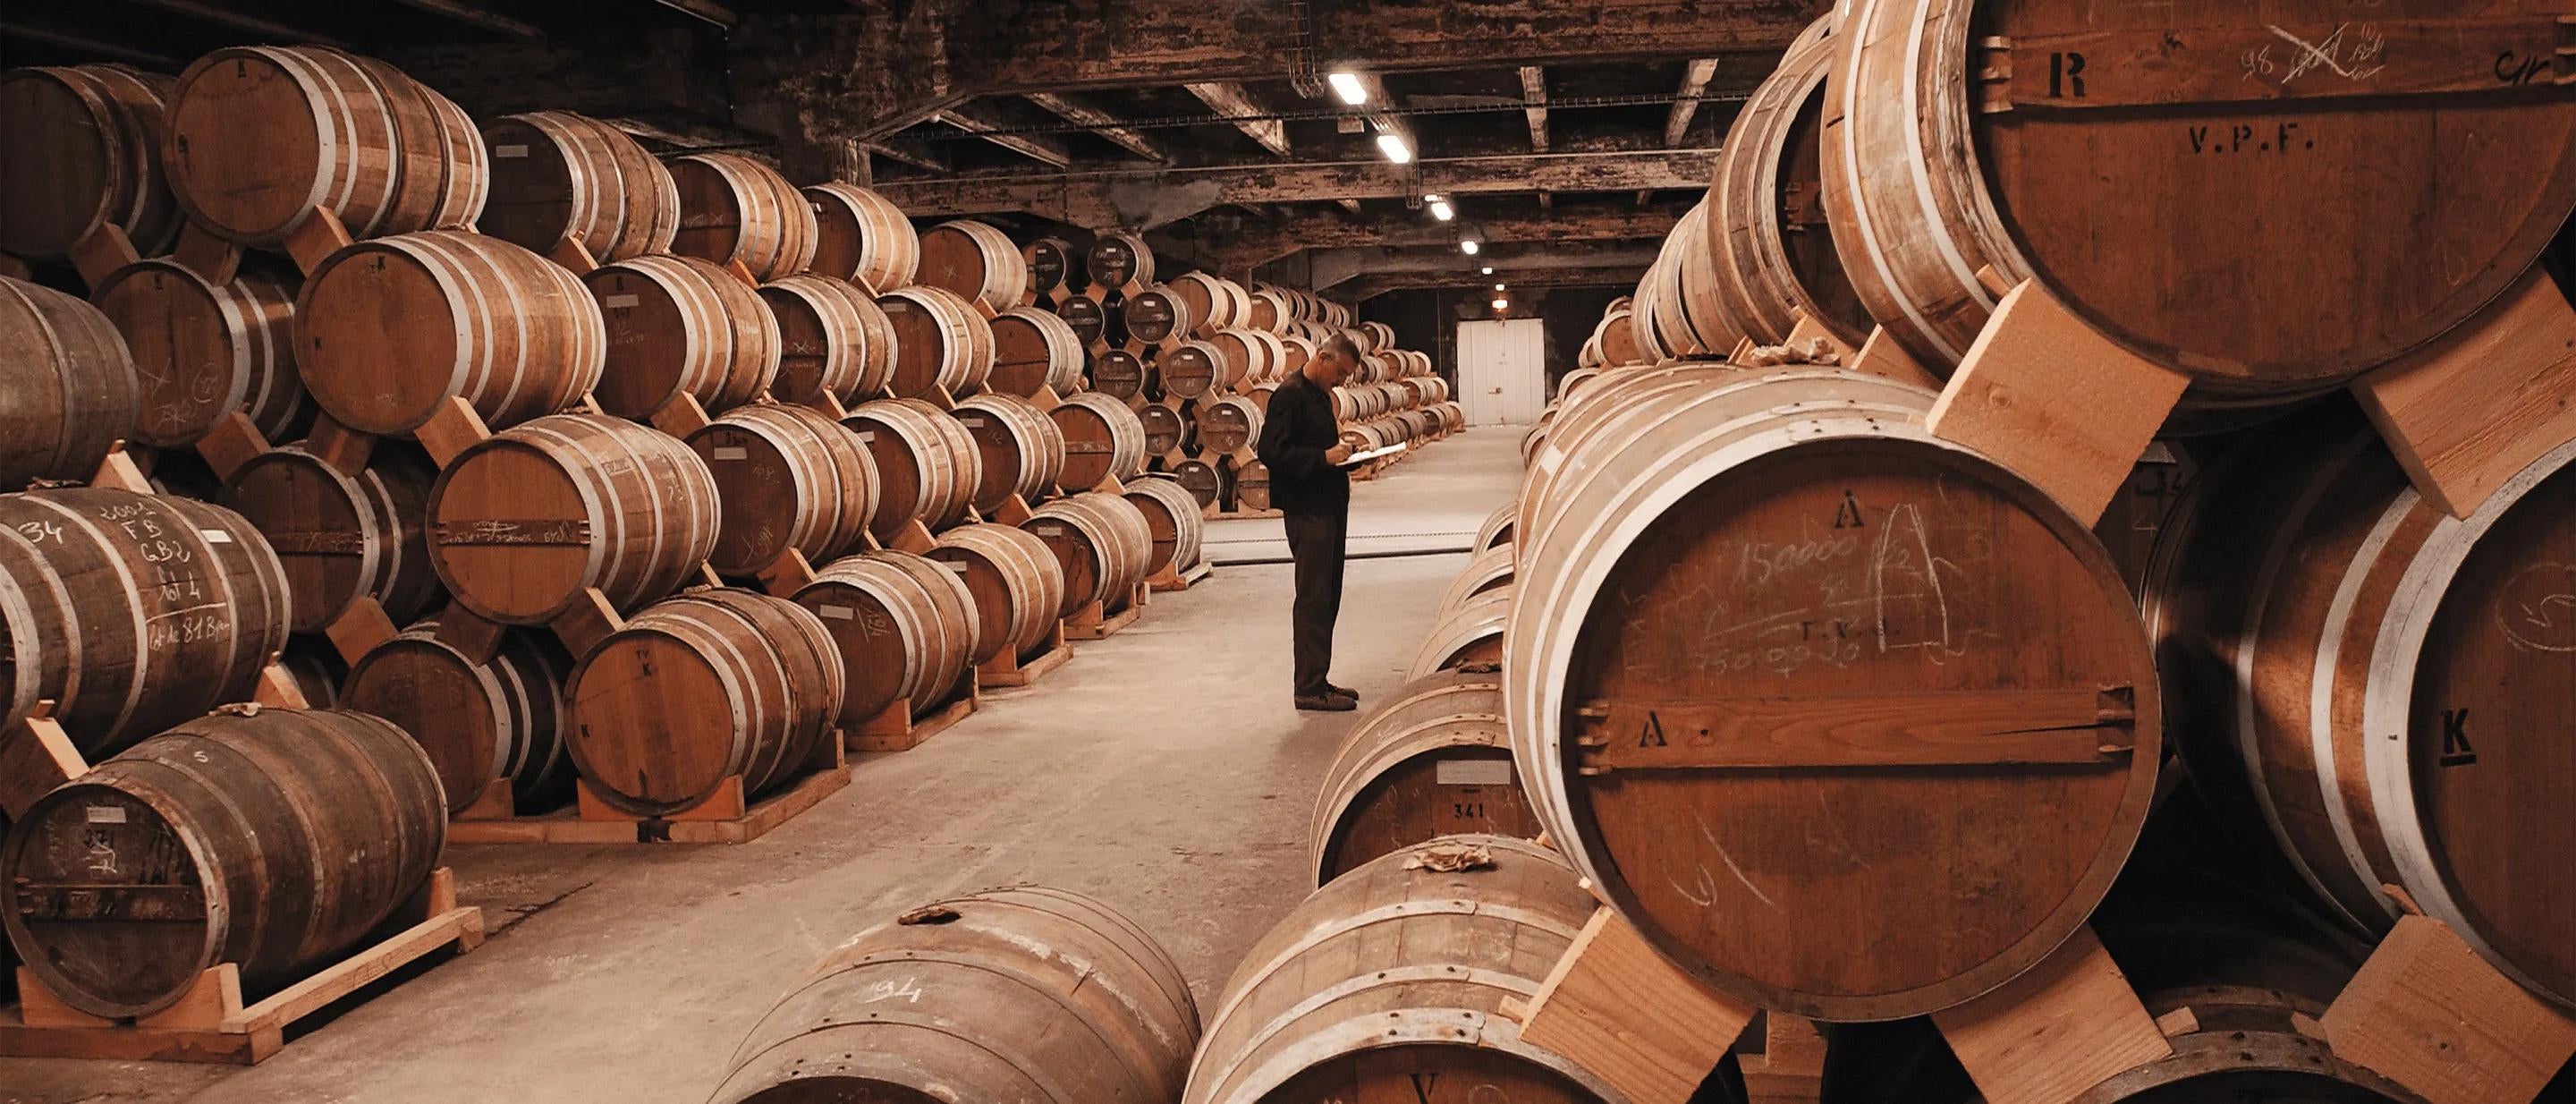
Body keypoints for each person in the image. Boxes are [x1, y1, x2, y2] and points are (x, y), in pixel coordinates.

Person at [1256, 331, 1363, 711]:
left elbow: (1318, 448)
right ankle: (1309, 688)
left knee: (1327, 596)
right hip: (1308, 511)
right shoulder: (1289, 394)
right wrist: (1324, 458)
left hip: (1328, 508)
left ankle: (1319, 677)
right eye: (1341, 372)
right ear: (1322, 357)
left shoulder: (1318, 396)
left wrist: (1346, 453)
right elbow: (1270, 450)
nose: (1343, 381)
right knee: (1313, 598)